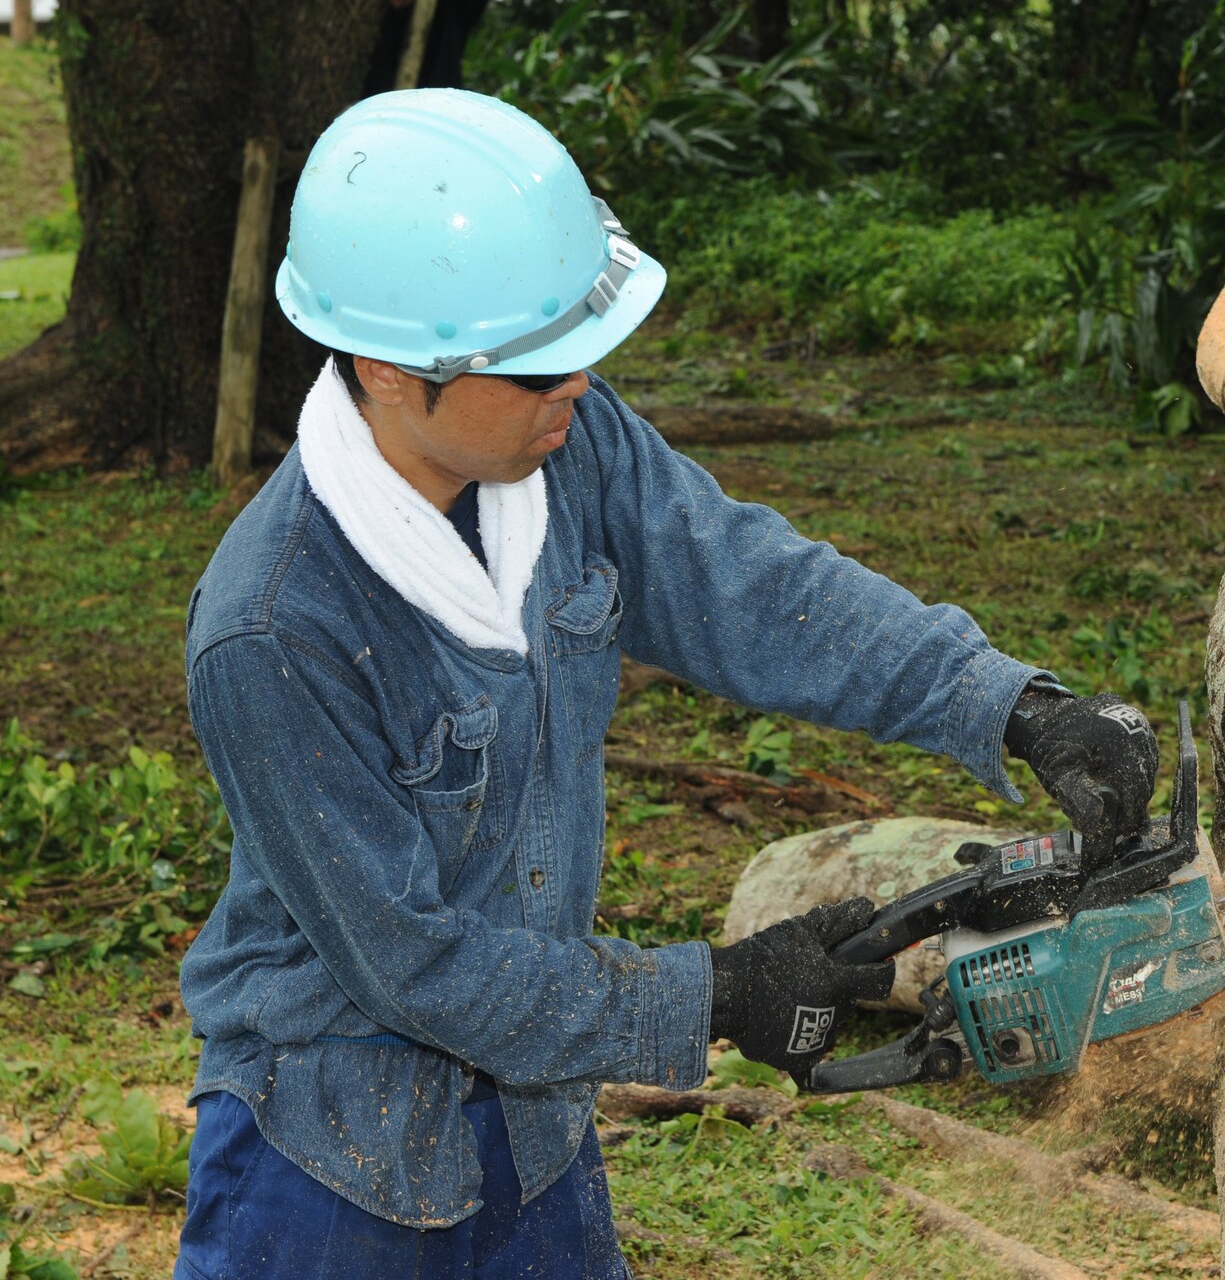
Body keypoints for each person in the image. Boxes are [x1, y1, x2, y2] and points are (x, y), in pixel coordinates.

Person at [172, 88, 1157, 1280]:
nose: (575, 387)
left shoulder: (566, 448)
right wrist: (720, 992)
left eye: (583, 353)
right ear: (388, 369)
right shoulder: (275, 628)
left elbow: (751, 585)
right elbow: (415, 965)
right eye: (537, 368)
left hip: (534, 1121)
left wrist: (1009, 704)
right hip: (328, 1156)